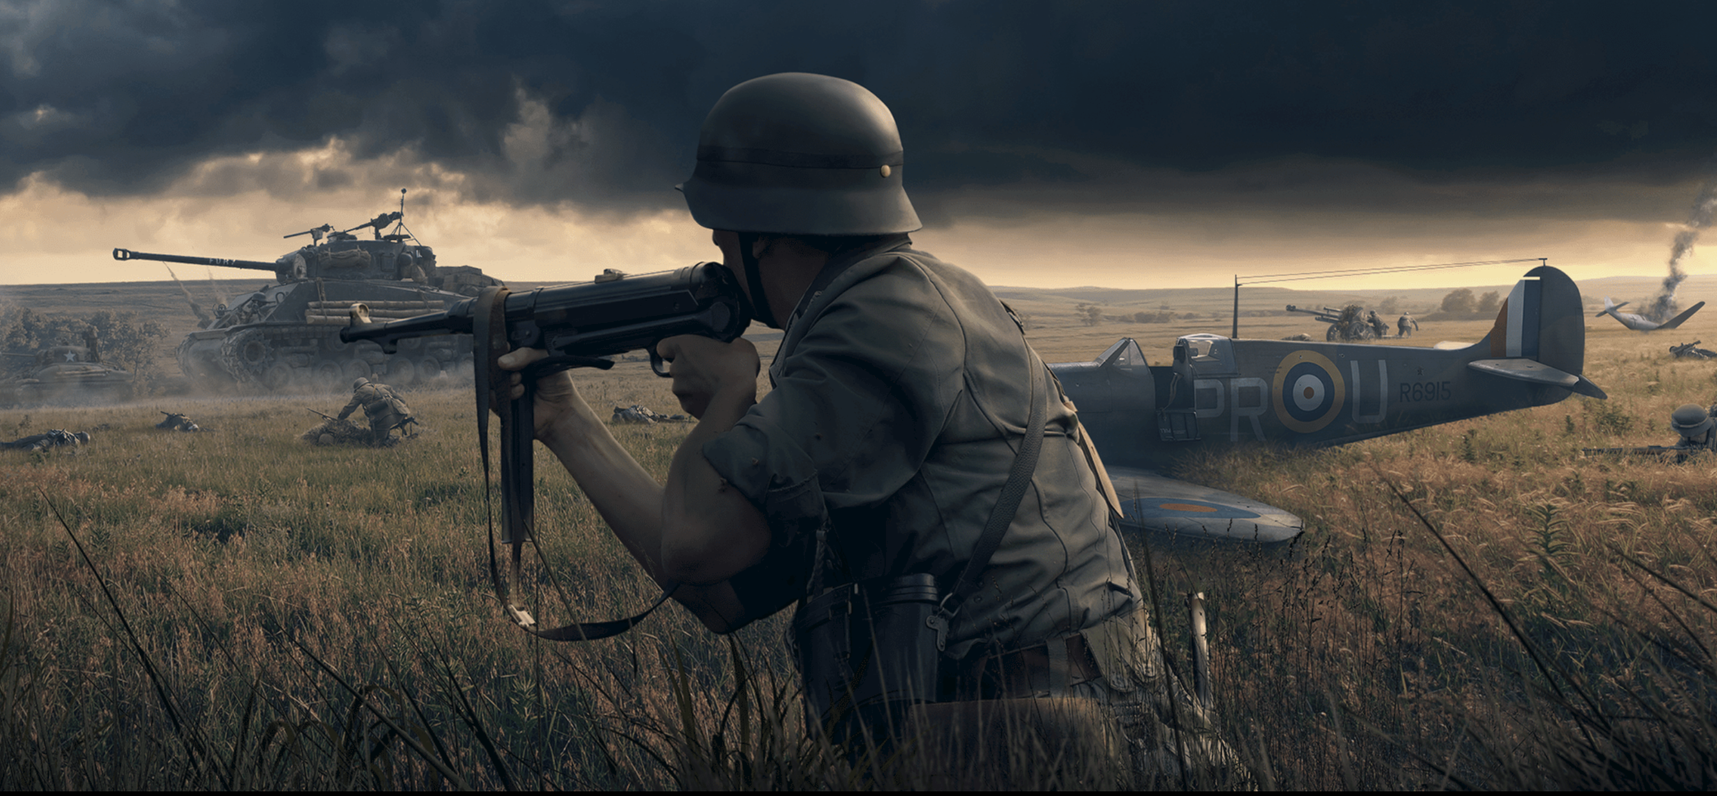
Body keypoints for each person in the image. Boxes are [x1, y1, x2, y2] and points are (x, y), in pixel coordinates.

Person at [498, 73, 1219, 783]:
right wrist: (565, 421)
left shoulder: (879, 321)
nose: (719, 247)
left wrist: (728, 394)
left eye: (723, 232)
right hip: (1039, 726)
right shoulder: (907, 301)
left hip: (1034, 739)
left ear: (768, 231)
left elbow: (694, 542)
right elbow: (718, 592)